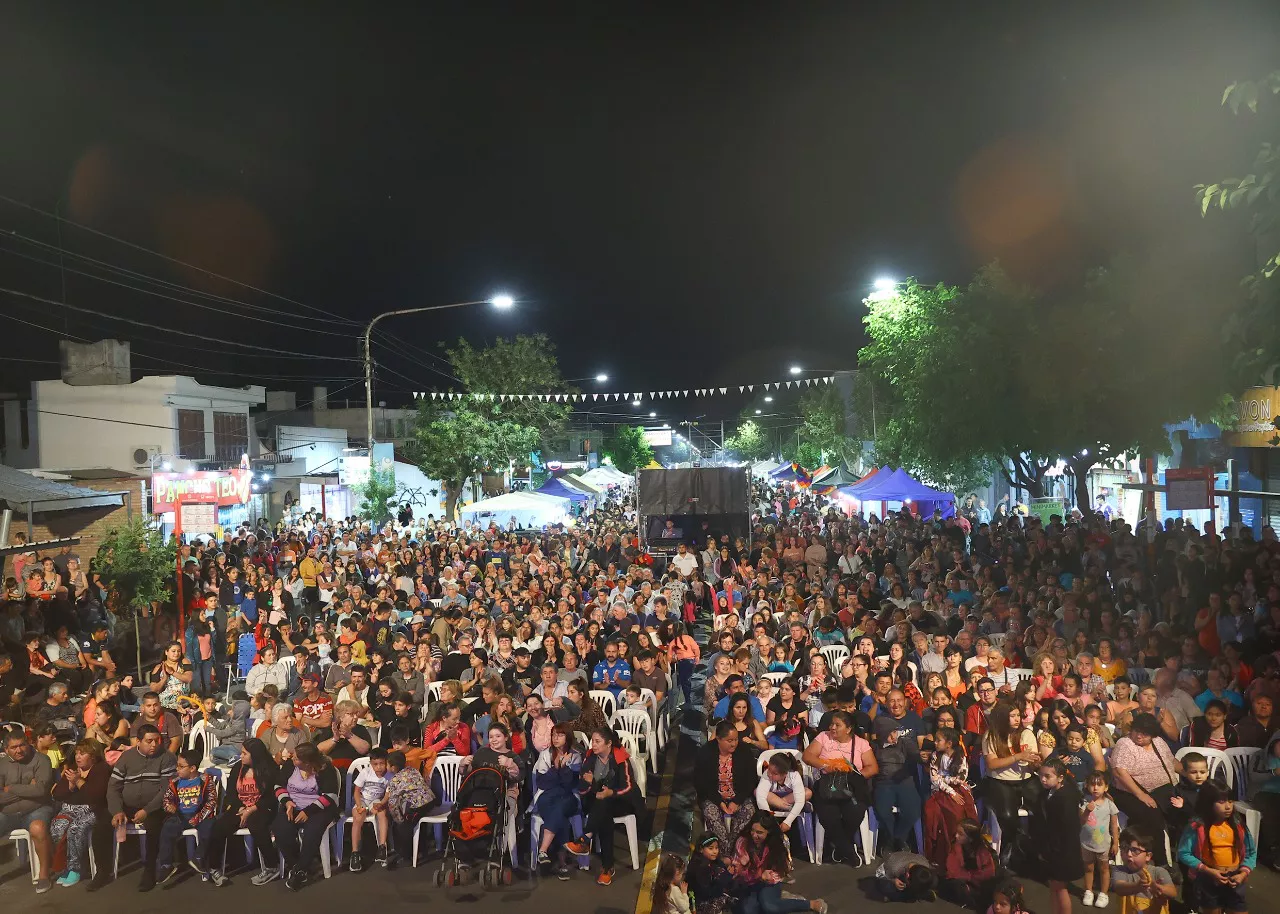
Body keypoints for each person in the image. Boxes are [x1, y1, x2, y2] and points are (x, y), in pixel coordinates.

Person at [98, 724, 177, 892]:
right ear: (138, 742)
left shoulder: (167, 757)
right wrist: (117, 810)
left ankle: (149, 871)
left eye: (157, 740)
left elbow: (166, 790)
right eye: (149, 741)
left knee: (154, 826)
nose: (154, 744)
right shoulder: (126, 757)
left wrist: (147, 810)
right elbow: (113, 787)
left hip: (154, 807)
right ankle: (102, 872)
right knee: (101, 825)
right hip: (127, 805)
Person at [564, 727, 643, 886]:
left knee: (603, 804)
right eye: (592, 741)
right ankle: (607, 868)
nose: (593, 744)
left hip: (621, 801)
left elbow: (629, 787)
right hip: (599, 803)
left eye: (597, 741)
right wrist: (589, 783)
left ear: (609, 744)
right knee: (603, 812)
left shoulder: (620, 759)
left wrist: (611, 793)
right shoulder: (590, 758)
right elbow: (582, 789)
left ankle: (584, 839)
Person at [199, 738, 282, 886]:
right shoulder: (238, 768)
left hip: (262, 807)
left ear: (255, 755)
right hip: (240, 806)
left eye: (244, 753)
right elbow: (231, 793)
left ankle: (271, 867)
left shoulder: (270, 769)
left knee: (257, 824)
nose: (241, 756)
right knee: (219, 827)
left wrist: (251, 809)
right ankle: (213, 868)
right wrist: (241, 808)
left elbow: (271, 796)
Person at [802, 710, 876, 866]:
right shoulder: (824, 737)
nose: (832, 728)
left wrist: (855, 775)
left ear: (848, 729)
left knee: (855, 813)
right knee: (829, 815)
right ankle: (848, 850)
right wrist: (825, 765)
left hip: (851, 787)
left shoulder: (861, 744)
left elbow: (873, 767)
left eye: (837, 725)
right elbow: (807, 756)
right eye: (831, 724)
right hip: (828, 785)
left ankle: (839, 846)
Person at [1110, 714, 1182, 866]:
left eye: (1145, 733)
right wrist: (1141, 794)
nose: (1139, 735)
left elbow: (1172, 761)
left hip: (1162, 790)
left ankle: (1184, 854)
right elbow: (1119, 772)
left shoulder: (1159, 742)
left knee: (1184, 807)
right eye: (1136, 731)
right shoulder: (1125, 743)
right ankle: (1161, 862)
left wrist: (1188, 773)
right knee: (1151, 813)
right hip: (1128, 792)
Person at [1176, 782, 1256, 914]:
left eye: (1230, 801)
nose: (1228, 806)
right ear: (1208, 803)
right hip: (1208, 878)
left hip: (1236, 878)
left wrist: (1243, 873)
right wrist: (1207, 870)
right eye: (1221, 801)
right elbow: (1184, 852)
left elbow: (1250, 852)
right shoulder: (1197, 826)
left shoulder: (1238, 825)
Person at [271, 741, 341, 890]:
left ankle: (300, 870)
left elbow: (330, 795)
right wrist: (287, 802)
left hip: (319, 809)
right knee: (280, 829)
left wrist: (308, 811)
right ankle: (297, 864)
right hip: (293, 805)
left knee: (312, 832)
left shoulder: (325, 769)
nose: (292, 759)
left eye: (296, 758)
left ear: (308, 762)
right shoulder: (291, 766)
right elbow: (278, 786)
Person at [731, 812, 828, 914]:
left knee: (769, 906)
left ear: (769, 832)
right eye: (752, 830)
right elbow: (737, 873)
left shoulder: (777, 844)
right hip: (748, 885)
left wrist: (767, 877)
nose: (754, 835)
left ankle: (811, 904)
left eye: (759, 832)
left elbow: (781, 870)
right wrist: (758, 875)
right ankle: (780, 900)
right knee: (749, 910)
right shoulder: (743, 842)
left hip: (768, 883)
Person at [980, 702, 1040, 867]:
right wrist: (1017, 757)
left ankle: (1035, 847)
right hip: (1000, 781)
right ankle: (1013, 844)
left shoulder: (1027, 734)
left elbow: (1033, 763)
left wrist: (1036, 763)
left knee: (1043, 805)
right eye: (1012, 716)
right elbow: (991, 764)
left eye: (1018, 716)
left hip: (1026, 778)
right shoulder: (991, 736)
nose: (1016, 719)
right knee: (1007, 815)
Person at [0, 728, 55, 893]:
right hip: (7, 812)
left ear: (29, 744)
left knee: (38, 828)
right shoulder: (1, 765)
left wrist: (10, 788)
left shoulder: (42, 760)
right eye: (13, 747)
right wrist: (27, 789)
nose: (19, 750)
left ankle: (44, 874)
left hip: (37, 808)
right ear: (6, 750)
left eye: (22, 745)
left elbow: (41, 791)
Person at [49, 740, 111, 887]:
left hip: (93, 809)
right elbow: (57, 794)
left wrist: (78, 782)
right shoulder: (72, 768)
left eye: (82, 753)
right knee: (57, 827)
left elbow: (96, 796)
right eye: (77, 753)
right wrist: (69, 786)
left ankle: (76, 869)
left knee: (76, 828)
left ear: (93, 756)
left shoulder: (101, 769)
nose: (78, 756)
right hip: (70, 809)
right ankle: (66, 866)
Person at [870, 689, 925, 854]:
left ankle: (897, 840)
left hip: (904, 780)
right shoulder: (875, 746)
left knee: (913, 810)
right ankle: (893, 840)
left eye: (896, 732)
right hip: (883, 782)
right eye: (891, 733)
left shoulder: (905, 743)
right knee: (882, 810)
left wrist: (925, 758)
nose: (895, 735)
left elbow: (917, 755)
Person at [156, 749, 220, 883]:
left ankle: (199, 858)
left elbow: (212, 801)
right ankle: (166, 865)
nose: (177, 769)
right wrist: (169, 806)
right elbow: (167, 798)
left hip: (200, 815)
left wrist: (198, 817)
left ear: (192, 768)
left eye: (181, 766)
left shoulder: (205, 780)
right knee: (167, 828)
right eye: (177, 765)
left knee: (210, 828)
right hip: (180, 815)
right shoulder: (174, 781)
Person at [1033, 756, 1086, 914]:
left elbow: (1067, 829)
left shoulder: (1065, 798)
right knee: (1055, 888)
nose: (1042, 779)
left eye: (1047, 776)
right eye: (1041, 775)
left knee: (1060, 888)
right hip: (1056, 849)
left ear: (1060, 777)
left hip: (1062, 851)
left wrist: (1053, 850)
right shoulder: (1055, 792)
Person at [696, 721, 759, 846]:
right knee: (711, 814)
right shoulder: (706, 752)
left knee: (749, 812)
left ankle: (735, 847)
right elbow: (701, 783)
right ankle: (725, 852)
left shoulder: (744, 751)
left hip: (739, 797)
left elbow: (751, 780)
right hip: (713, 797)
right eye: (729, 741)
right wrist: (720, 802)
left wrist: (737, 801)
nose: (734, 743)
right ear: (719, 739)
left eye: (735, 740)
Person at [922, 726, 977, 868]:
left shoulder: (960, 757)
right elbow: (934, 779)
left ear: (949, 743)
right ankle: (940, 854)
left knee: (959, 812)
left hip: (958, 790)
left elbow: (960, 778)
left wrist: (944, 778)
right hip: (940, 792)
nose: (935, 743)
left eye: (938, 740)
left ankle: (960, 852)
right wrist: (950, 790)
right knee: (933, 814)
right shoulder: (935, 756)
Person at [533, 722, 584, 877]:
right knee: (558, 812)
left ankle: (543, 850)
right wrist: (556, 768)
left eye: (560, 735)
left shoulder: (575, 756)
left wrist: (564, 768)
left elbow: (571, 785)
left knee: (561, 807)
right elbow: (542, 782)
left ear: (567, 737)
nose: (555, 738)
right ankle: (562, 861)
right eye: (554, 734)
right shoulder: (545, 754)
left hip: (569, 797)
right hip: (547, 796)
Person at [385, 749, 435, 865]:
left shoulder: (394, 780)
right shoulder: (413, 770)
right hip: (430, 801)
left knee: (403, 827)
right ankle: (423, 849)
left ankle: (406, 856)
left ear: (393, 768)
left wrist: (398, 819)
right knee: (417, 822)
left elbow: (392, 802)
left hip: (417, 806)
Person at [1111, 827, 1177, 914]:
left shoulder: (1158, 871)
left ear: (1148, 856)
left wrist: (1159, 888)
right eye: (1124, 848)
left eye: (1135, 850)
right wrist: (1137, 886)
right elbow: (1119, 887)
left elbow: (1172, 892)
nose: (1129, 854)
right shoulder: (1119, 870)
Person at [348, 746, 393, 872]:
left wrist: (381, 804)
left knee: (382, 813)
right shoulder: (365, 772)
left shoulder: (389, 776)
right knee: (358, 818)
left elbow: (387, 794)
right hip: (362, 799)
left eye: (382, 764)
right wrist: (359, 805)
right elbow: (356, 791)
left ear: (386, 762)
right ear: (371, 764)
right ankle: (355, 853)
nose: (379, 767)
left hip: (377, 800)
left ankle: (382, 847)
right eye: (375, 764)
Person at [1080, 770, 1121, 908]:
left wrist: (1116, 843)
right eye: (1092, 784)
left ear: (1106, 787)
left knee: (1104, 868)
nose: (1095, 788)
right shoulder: (1084, 801)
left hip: (1103, 844)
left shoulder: (1109, 804)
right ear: (1087, 786)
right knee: (1088, 868)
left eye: (1099, 784)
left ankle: (1104, 893)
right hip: (1086, 843)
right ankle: (1088, 891)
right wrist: (1087, 810)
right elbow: (1080, 821)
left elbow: (1114, 826)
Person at [939, 818, 997, 910]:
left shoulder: (983, 850)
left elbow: (988, 872)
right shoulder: (956, 847)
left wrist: (972, 878)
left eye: (961, 834)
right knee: (955, 885)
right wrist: (968, 879)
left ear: (970, 838)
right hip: (962, 882)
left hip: (979, 883)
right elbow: (953, 871)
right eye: (957, 832)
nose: (956, 836)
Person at [755, 751, 810, 836]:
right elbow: (761, 797)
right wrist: (769, 819)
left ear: (785, 774)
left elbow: (799, 801)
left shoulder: (794, 775)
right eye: (769, 770)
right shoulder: (767, 774)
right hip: (773, 799)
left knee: (807, 792)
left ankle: (784, 806)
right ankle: (788, 808)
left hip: (789, 799)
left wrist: (788, 822)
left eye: (774, 774)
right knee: (757, 791)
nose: (769, 774)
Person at [686, 834, 736, 914]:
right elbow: (707, 893)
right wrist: (726, 876)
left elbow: (726, 882)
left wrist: (730, 875)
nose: (715, 851)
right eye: (711, 848)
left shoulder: (716, 862)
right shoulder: (697, 868)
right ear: (701, 849)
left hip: (716, 895)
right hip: (700, 902)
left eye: (716, 848)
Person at [872, 848, 938, 902]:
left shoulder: (925, 864)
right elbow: (878, 873)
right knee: (886, 887)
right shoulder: (894, 867)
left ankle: (918, 893)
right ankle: (914, 895)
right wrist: (892, 880)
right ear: (907, 875)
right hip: (888, 873)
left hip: (907, 874)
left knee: (930, 881)